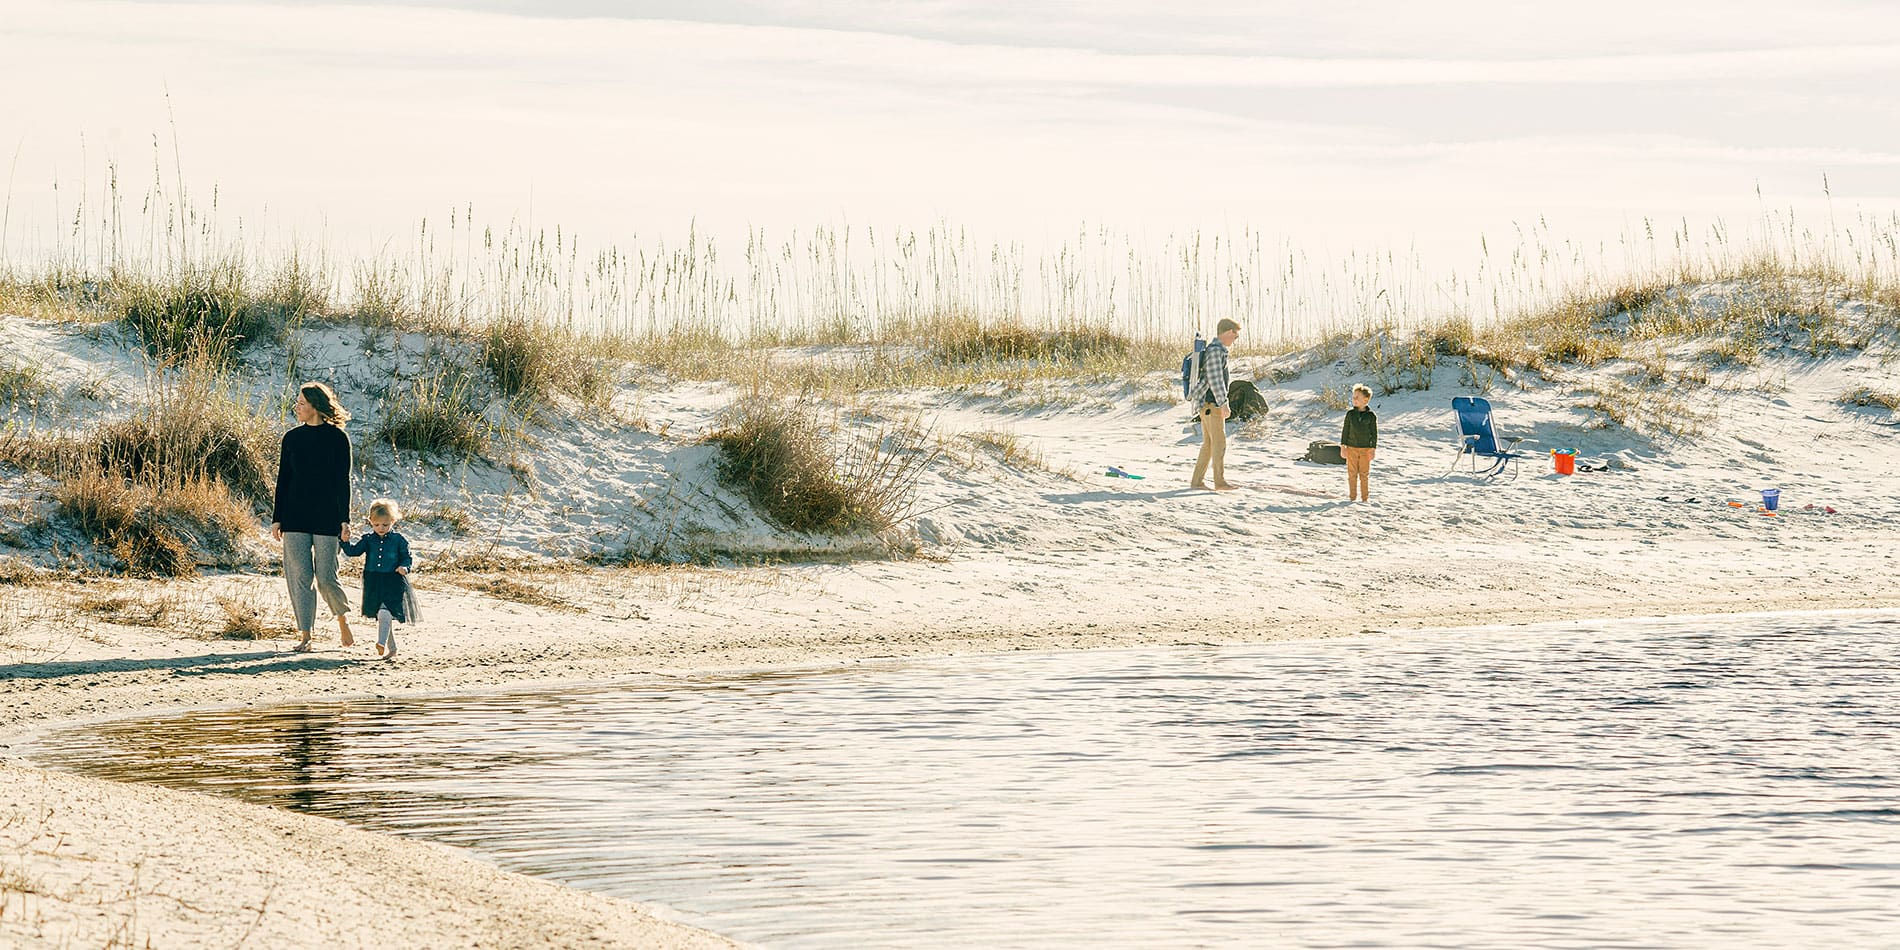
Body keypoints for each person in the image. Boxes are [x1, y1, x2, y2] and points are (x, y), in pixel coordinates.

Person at [271, 381, 355, 652]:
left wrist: (345, 519)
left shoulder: (338, 439)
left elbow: (343, 482)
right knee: (299, 577)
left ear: (316, 407)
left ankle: (342, 618)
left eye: (302, 404)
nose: (297, 407)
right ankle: (306, 635)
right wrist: (277, 517)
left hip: (327, 516)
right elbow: (283, 480)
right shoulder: (292, 438)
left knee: (326, 577)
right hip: (294, 516)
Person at [341, 498, 415, 660]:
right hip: (373, 580)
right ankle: (392, 648)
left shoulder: (399, 540)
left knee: (384, 612)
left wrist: (405, 567)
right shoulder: (368, 539)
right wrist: (345, 542)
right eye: (376, 525)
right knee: (382, 615)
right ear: (370, 522)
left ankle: (381, 642)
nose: (380, 528)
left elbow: (407, 558)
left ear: (393, 521)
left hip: (393, 580)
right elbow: (353, 552)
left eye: (385, 525)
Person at [1190, 318, 1240, 490]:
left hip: (1208, 404)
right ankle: (1219, 481)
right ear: (1228, 332)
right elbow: (1215, 379)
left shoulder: (1215, 350)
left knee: (1209, 443)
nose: (1236, 338)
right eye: (1235, 335)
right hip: (1212, 404)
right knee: (1219, 443)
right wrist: (1223, 403)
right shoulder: (1215, 351)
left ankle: (1197, 482)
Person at [1341, 383, 1378, 502]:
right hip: (1351, 448)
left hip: (1365, 449)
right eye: (1353, 397)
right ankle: (1352, 497)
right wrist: (1343, 447)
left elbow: (1374, 433)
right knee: (1352, 474)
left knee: (1364, 474)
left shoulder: (1371, 416)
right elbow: (1345, 431)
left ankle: (1364, 498)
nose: (1354, 399)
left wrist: (1372, 449)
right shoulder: (1350, 414)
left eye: (1357, 397)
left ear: (1366, 400)